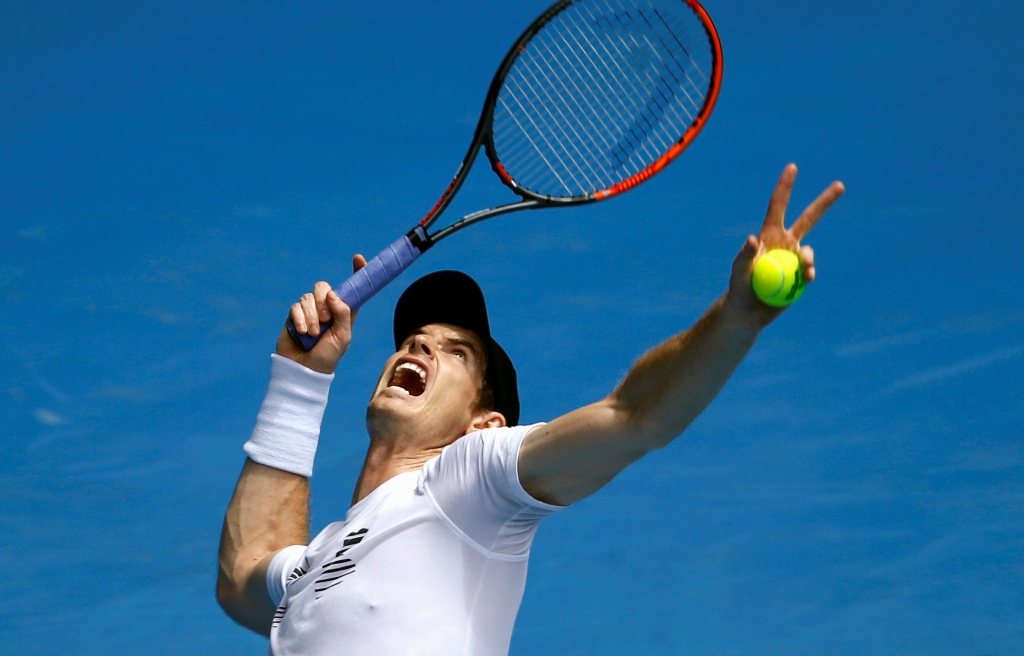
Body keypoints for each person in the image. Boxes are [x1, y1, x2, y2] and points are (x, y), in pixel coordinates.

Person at [217, 164, 844, 655]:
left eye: (455, 352)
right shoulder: (321, 559)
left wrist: (735, 317)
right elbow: (243, 576)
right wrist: (300, 377)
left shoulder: (469, 482)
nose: (420, 346)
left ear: (485, 425)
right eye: (415, 340)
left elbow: (635, 417)